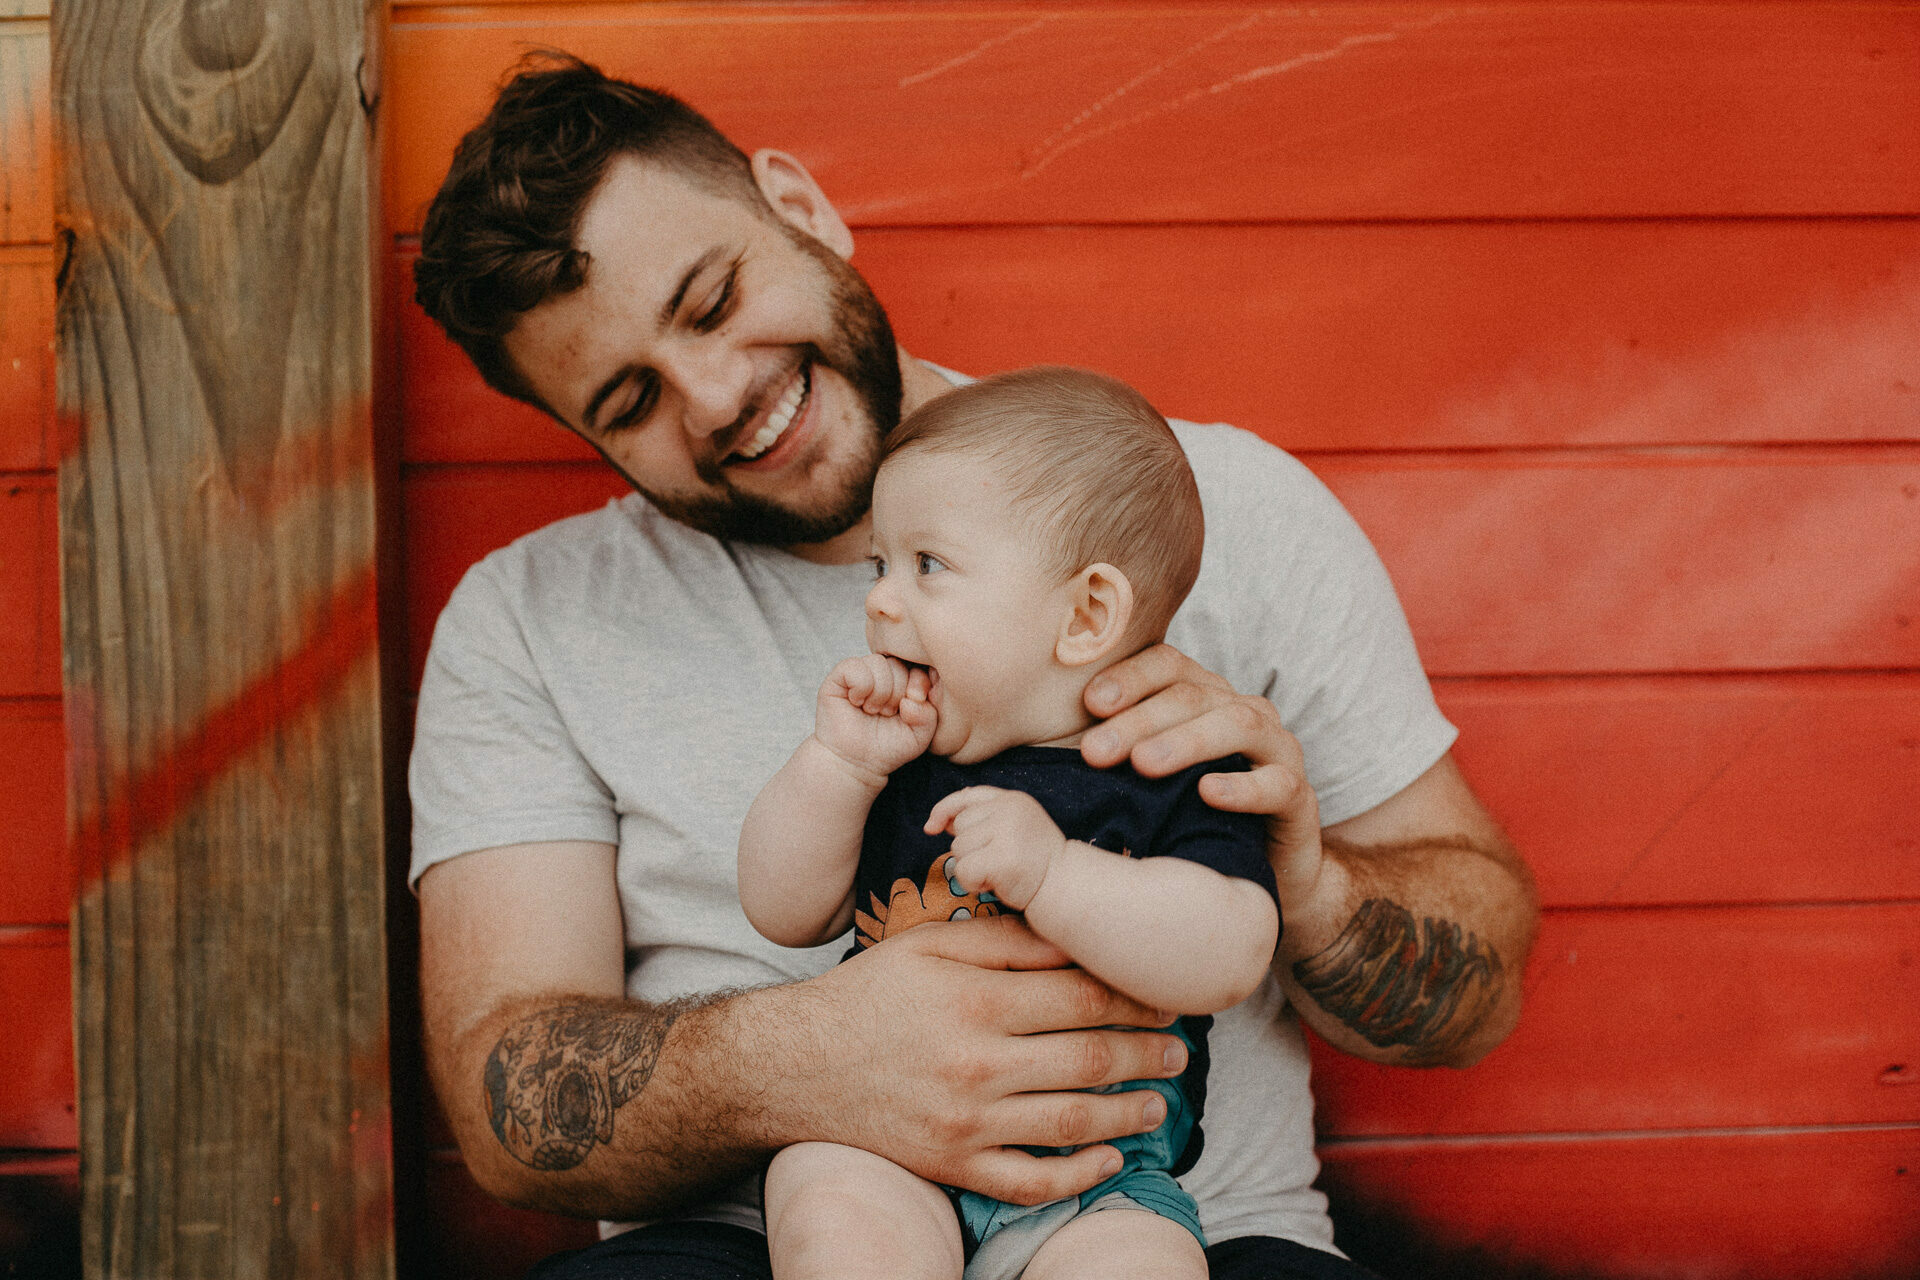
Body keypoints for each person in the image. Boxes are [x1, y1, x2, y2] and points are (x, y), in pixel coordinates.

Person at [408, 52, 1537, 1280]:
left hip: (1188, 1225)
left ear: (800, 207)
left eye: (714, 299)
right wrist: (811, 1059)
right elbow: (504, 1103)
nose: (717, 395)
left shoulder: (1212, 507)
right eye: (630, 401)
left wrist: (1301, 879)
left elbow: (1476, 992)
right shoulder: (528, 619)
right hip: (760, 1232)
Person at [738, 367, 1281, 1280]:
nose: (880, 599)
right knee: (830, 1201)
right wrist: (837, 766)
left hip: (1099, 1183)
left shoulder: (1171, 765)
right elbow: (781, 909)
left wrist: (1056, 876)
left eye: (928, 565)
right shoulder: (903, 761)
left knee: (1143, 1268)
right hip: (886, 1147)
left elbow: (1230, 952)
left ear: (1087, 615)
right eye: (880, 565)